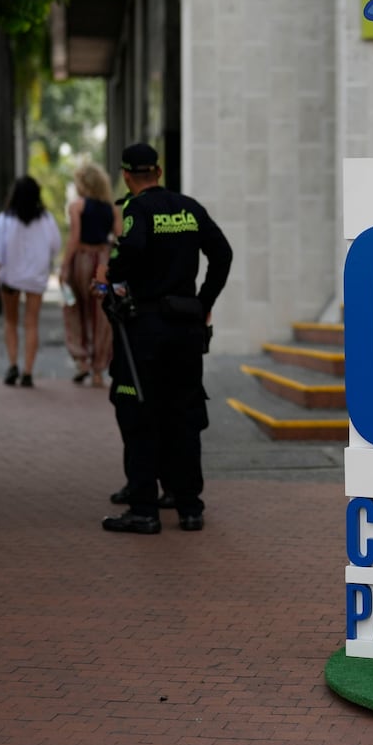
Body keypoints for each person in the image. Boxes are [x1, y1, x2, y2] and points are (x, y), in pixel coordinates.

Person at [101, 143, 232, 534]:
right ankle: (188, 505)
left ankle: (144, 509)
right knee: (184, 414)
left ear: (127, 176)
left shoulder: (135, 210)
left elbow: (133, 251)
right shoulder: (189, 208)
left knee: (139, 412)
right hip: (186, 327)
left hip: (146, 328)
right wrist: (203, 302)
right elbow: (222, 254)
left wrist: (114, 272)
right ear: (158, 171)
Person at [0, 175, 59, 387]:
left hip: (10, 276)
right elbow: (55, 245)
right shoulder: (47, 219)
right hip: (36, 277)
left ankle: (12, 365)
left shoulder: (5, 219)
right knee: (31, 323)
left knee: (10, 321)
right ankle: (28, 372)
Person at [61, 162, 119, 387]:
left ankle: (82, 359)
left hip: (81, 261)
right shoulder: (112, 208)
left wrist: (65, 266)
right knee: (102, 315)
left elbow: (74, 238)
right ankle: (98, 371)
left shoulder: (77, 206)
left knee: (74, 308)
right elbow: (119, 238)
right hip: (102, 263)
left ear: (84, 184)